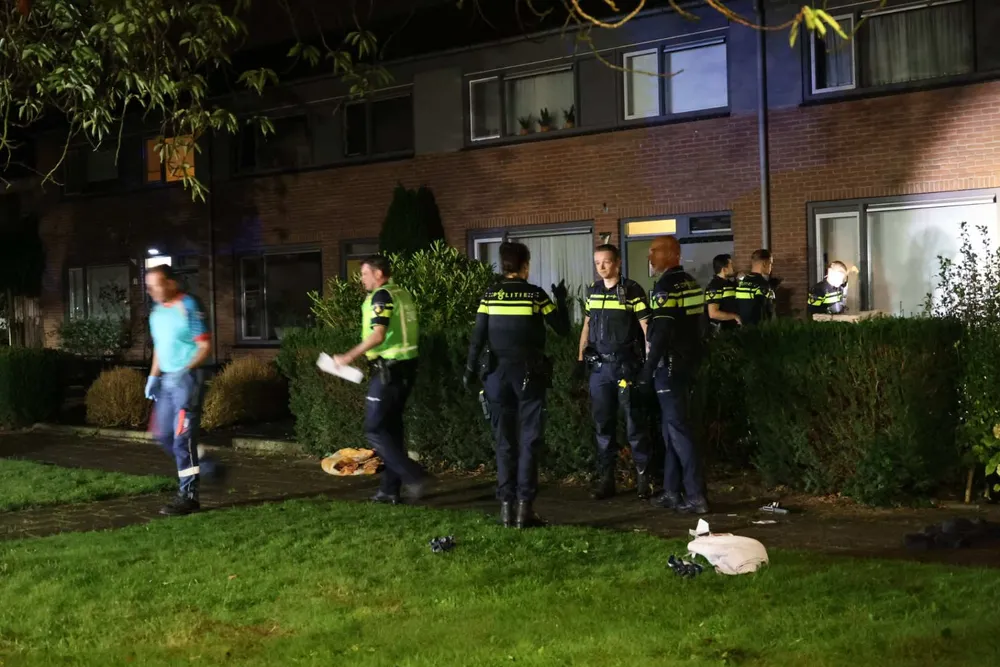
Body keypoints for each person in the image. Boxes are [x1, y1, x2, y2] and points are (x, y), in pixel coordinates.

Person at [464, 241, 570, 528]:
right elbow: (562, 329)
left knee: (504, 442)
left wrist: (470, 370)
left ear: (503, 266)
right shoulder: (535, 295)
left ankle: (506, 508)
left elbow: (477, 337)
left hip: (496, 375)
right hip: (528, 375)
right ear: (525, 265)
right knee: (529, 441)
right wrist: (561, 300)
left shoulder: (490, 295)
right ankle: (525, 509)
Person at [332, 255, 430, 505]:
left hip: (389, 369)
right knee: (392, 429)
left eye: (365, 273)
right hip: (405, 367)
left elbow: (378, 335)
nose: (361, 278)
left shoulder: (382, 296)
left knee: (374, 429)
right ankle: (389, 490)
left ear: (378, 274)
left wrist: (347, 357)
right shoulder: (401, 293)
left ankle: (414, 475)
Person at [577, 244, 652, 500]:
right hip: (599, 369)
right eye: (597, 262)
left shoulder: (632, 290)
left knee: (634, 425)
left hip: (625, 367)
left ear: (618, 263)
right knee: (602, 426)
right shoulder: (593, 291)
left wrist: (650, 363)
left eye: (606, 262)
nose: (601, 267)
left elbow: (646, 327)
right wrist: (580, 359)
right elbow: (587, 325)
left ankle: (644, 481)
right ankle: (606, 481)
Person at [639, 236, 709, 514]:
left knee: (679, 431)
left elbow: (662, 333)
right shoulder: (692, 283)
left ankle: (695, 496)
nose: (650, 257)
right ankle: (671, 491)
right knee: (672, 430)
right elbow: (701, 326)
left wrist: (647, 370)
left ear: (671, 254)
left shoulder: (665, 287)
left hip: (668, 366)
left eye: (654, 252)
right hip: (688, 365)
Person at [144, 263, 218, 516]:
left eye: (156, 285)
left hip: (188, 380)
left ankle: (188, 496)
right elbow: (160, 347)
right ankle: (206, 464)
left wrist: (185, 371)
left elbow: (204, 347)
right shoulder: (156, 313)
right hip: (167, 381)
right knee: (162, 434)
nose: (151, 291)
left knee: (181, 439)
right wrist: (153, 377)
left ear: (171, 283)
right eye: (148, 287)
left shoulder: (189, 306)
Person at [735, 249, 776, 326]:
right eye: (770, 263)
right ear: (764, 264)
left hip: (743, 329)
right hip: (759, 329)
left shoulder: (741, 283)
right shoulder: (763, 285)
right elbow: (769, 312)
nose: (772, 267)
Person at [704, 254, 741, 333]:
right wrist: (735, 316)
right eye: (731, 265)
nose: (734, 268)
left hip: (734, 330)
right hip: (723, 333)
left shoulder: (730, 283)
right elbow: (713, 313)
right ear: (724, 270)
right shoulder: (715, 286)